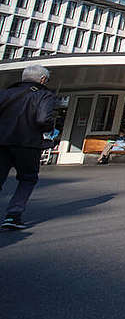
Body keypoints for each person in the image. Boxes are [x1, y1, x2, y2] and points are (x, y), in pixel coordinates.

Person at [0, 65, 58, 230]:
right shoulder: (44, 95)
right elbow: (42, 120)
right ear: (42, 79)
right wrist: (48, 128)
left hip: (2, 141)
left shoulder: (5, 93)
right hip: (27, 143)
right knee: (27, 178)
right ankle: (13, 215)